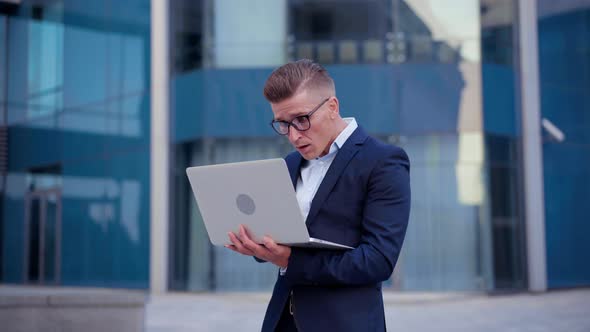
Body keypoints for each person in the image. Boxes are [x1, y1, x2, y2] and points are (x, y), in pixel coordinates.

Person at [226, 59, 411, 332]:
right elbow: (282, 242)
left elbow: (378, 261)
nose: (293, 135)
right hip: (282, 322)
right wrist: (258, 246)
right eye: (282, 124)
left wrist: (290, 260)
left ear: (332, 107)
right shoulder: (290, 163)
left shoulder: (383, 161)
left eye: (302, 119)